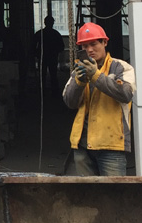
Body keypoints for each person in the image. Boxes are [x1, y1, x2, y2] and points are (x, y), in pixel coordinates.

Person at [62, 22, 135, 177]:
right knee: (87, 191)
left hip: (111, 146)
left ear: (104, 42)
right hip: (82, 145)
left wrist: (95, 75)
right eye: (85, 46)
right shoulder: (78, 71)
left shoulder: (121, 68)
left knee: (113, 190)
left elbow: (126, 93)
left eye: (94, 44)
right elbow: (70, 102)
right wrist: (79, 82)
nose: (89, 50)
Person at [33, 15, 64, 93]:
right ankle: (54, 91)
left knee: (42, 75)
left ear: (45, 22)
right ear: (52, 23)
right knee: (53, 75)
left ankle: (42, 91)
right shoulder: (56, 34)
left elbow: (33, 46)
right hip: (52, 57)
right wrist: (55, 52)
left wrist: (36, 54)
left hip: (43, 57)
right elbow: (61, 47)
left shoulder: (40, 33)